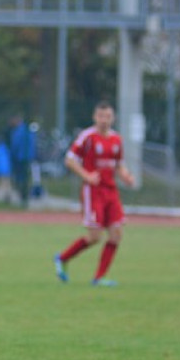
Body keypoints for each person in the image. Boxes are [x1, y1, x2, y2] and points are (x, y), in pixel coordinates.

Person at [53, 100, 135, 287]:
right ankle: (62, 258)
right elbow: (70, 160)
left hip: (111, 191)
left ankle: (98, 278)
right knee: (95, 236)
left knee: (116, 235)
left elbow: (119, 164)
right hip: (93, 192)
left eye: (107, 116)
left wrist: (126, 177)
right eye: (100, 116)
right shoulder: (87, 137)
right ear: (94, 117)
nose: (104, 120)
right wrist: (87, 175)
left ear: (113, 118)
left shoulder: (116, 139)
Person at [8, 115, 35, 206]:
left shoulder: (18, 132)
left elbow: (15, 145)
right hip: (27, 157)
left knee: (20, 178)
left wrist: (13, 155)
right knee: (25, 178)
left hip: (20, 158)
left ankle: (22, 196)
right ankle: (24, 197)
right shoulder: (28, 131)